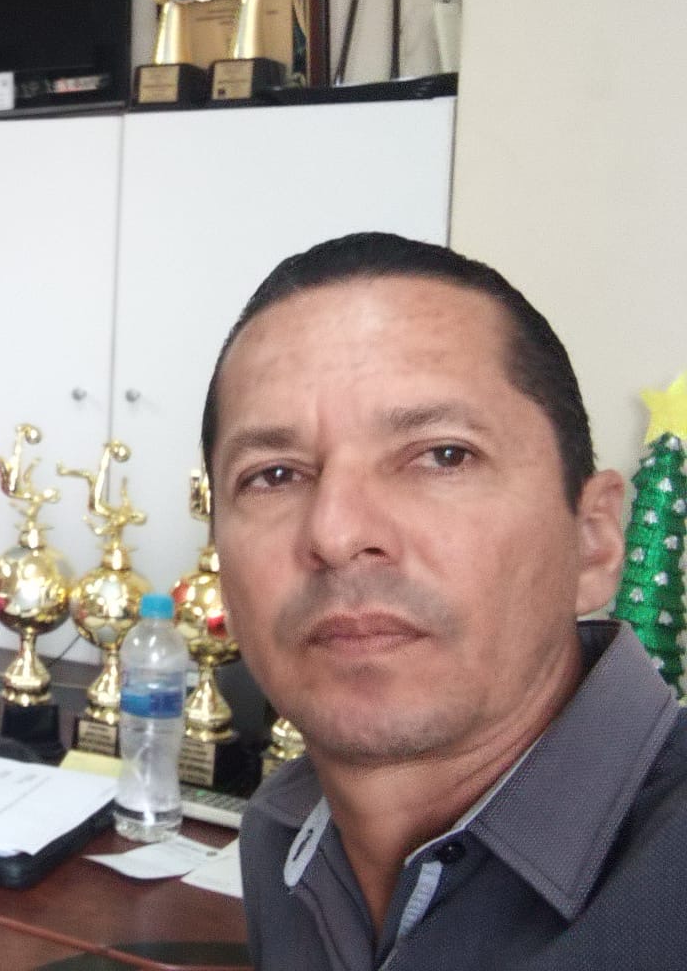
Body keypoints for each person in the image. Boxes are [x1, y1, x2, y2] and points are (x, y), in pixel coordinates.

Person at [200, 232, 687, 970]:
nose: (336, 534)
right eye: (274, 475)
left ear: (592, 541)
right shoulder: (282, 833)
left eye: (442, 455)